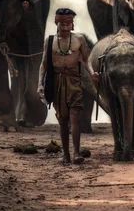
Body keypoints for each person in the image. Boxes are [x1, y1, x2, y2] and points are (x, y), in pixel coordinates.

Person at [37, 8, 100, 165]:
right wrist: (40, 84)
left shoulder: (79, 39)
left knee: (75, 117)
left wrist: (92, 73)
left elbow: (85, 60)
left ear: (72, 25)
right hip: (57, 82)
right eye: (61, 24)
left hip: (74, 81)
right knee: (63, 120)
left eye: (68, 24)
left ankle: (77, 153)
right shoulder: (49, 41)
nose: (64, 27)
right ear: (56, 23)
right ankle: (66, 155)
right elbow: (44, 64)